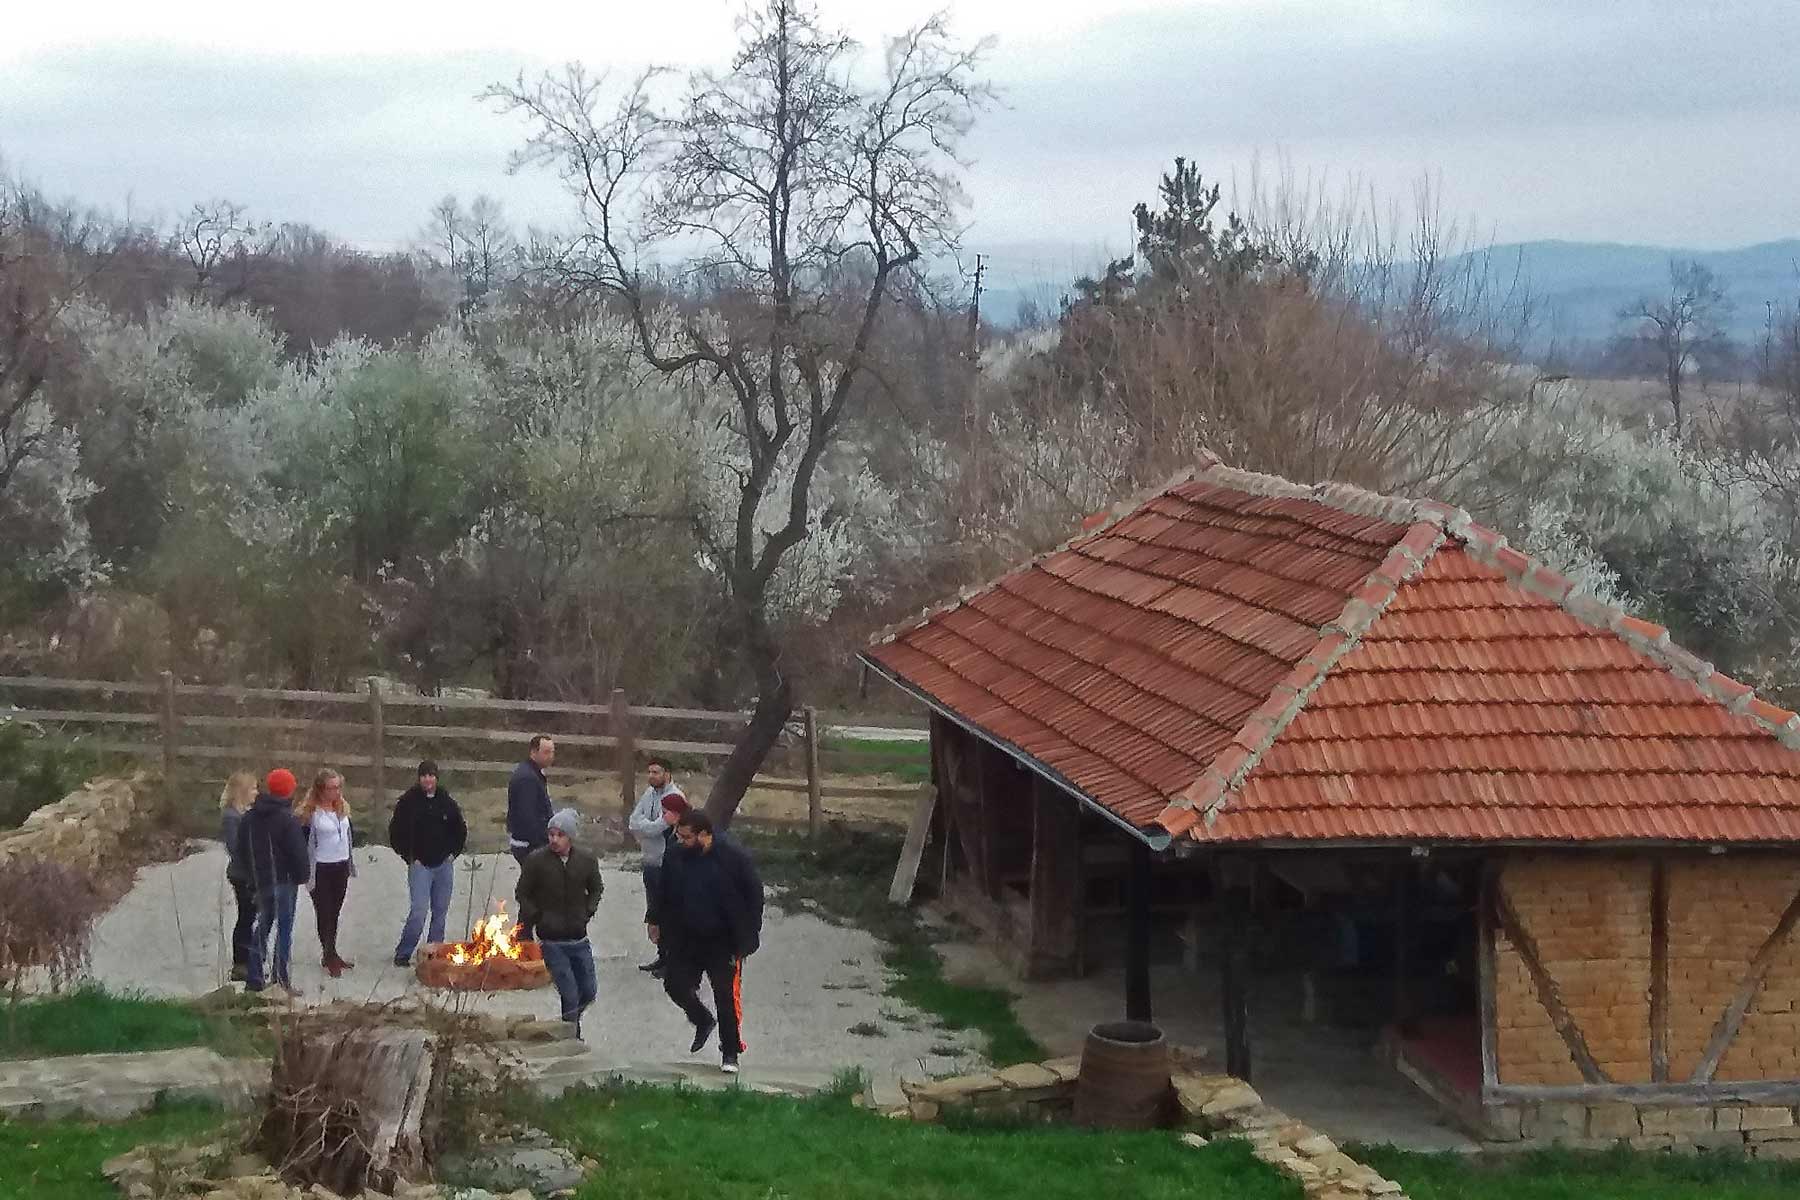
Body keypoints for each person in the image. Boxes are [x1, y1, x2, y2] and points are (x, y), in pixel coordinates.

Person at [650, 809, 763, 1074]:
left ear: (704, 835)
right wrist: (654, 919)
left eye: (687, 837)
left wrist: (747, 939)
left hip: (722, 940)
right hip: (686, 936)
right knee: (674, 985)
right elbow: (663, 888)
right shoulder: (676, 854)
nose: (681, 842)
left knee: (724, 996)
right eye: (678, 836)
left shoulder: (734, 859)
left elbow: (754, 898)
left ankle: (730, 1052)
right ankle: (702, 1019)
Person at [514, 808, 604, 1037]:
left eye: (559, 835)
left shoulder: (586, 860)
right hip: (551, 940)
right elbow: (522, 893)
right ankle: (571, 1036)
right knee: (569, 993)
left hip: (578, 937)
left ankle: (572, 1025)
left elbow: (596, 887)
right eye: (551, 834)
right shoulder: (536, 861)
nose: (554, 839)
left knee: (589, 991)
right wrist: (536, 917)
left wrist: (588, 910)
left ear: (570, 837)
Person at [236, 767, 309, 994]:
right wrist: (302, 876)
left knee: (262, 927)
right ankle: (280, 978)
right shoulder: (287, 820)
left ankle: (254, 977)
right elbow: (297, 852)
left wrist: (252, 874)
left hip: (261, 880)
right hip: (284, 881)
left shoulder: (250, 817)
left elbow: (242, 849)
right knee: (283, 929)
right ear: (289, 791)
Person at [388, 760, 468, 967]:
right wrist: (410, 857)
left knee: (440, 912)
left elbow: (459, 830)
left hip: (443, 864)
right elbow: (395, 833)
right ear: (419, 778)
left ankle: (434, 953)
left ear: (436, 778)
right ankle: (404, 952)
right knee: (419, 911)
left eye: (431, 775)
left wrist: (453, 853)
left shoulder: (447, 802)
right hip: (420, 866)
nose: (428, 779)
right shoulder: (407, 802)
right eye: (424, 775)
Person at [627, 757, 688, 977]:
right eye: (650, 772)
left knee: (668, 914)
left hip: (666, 864)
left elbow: (660, 828)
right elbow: (633, 821)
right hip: (650, 861)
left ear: (668, 774)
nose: (652, 776)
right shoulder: (648, 794)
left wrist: (648, 827)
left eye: (657, 772)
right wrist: (651, 826)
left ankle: (672, 961)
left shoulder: (675, 798)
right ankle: (662, 956)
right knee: (654, 911)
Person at [296, 769, 357, 977]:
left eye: (338, 787)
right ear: (321, 790)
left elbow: (349, 834)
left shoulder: (342, 808)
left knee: (335, 911)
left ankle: (332, 951)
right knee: (325, 912)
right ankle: (328, 954)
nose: (336, 792)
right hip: (320, 868)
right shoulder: (310, 813)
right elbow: (302, 842)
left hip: (340, 865)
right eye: (331, 788)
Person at [218, 771, 258, 983]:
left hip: (251, 872)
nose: (256, 792)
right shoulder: (231, 817)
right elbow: (235, 847)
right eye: (252, 789)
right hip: (242, 874)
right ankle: (240, 963)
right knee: (246, 917)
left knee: (250, 916)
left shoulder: (245, 813)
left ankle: (249, 958)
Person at [506, 735, 556, 869]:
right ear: (533, 752)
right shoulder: (527, 778)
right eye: (546, 752)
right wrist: (546, 842)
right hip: (528, 845)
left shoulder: (533, 773)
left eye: (552, 752)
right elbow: (527, 816)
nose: (551, 756)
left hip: (530, 843)